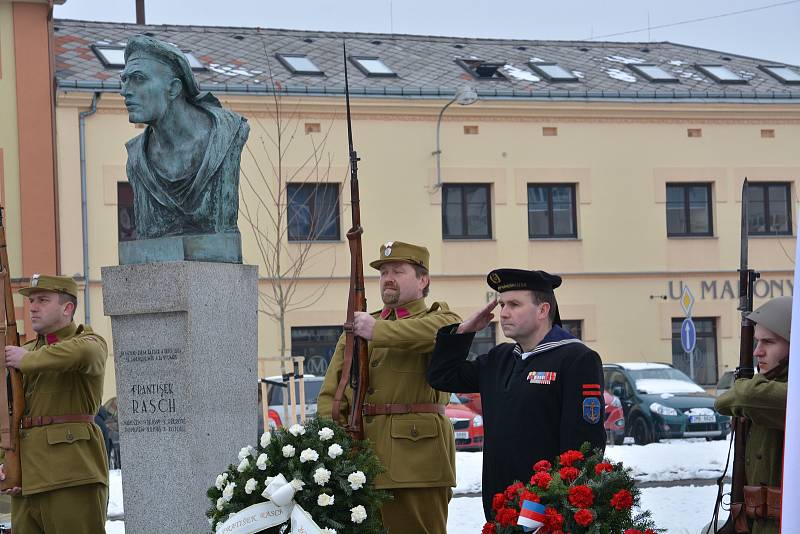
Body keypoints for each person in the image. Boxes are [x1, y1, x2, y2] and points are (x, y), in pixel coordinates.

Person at [427, 268, 606, 521]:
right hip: (500, 503)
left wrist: (558, 505)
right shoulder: (500, 358)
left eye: (514, 304)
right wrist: (464, 331)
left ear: (543, 310)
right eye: (502, 305)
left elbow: (584, 444)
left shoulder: (576, 359)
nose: (503, 313)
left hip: (546, 508)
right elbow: (441, 376)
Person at [317, 241, 461, 534]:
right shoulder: (360, 327)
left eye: (398, 270)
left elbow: (444, 333)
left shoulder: (438, 318)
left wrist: (377, 331)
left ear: (423, 280)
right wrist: (333, 448)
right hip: (361, 463)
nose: (388, 278)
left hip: (417, 463)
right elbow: (332, 394)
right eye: (383, 272)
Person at [1, 274, 109, 533]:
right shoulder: (25, 351)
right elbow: (10, 416)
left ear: (67, 308)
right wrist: (8, 462)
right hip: (27, 480)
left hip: (70, 475)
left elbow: (83, 353)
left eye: (43, 300)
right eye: (31, 301)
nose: (33, 307)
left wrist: (26, 360)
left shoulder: (88, 343)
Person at [120, 35, 249, 239]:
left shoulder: (227, 136)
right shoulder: (137, 159)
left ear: (173, 88)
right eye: (124, 80)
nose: (125, 92)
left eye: (138, 79)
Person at [715, 296, 791, 534]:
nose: (758, 352)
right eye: (756, 342)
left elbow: (743, 397)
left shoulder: (785, 392)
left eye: (768, 342)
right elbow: (726, 402)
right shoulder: (767, 386)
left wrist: (746, 386)